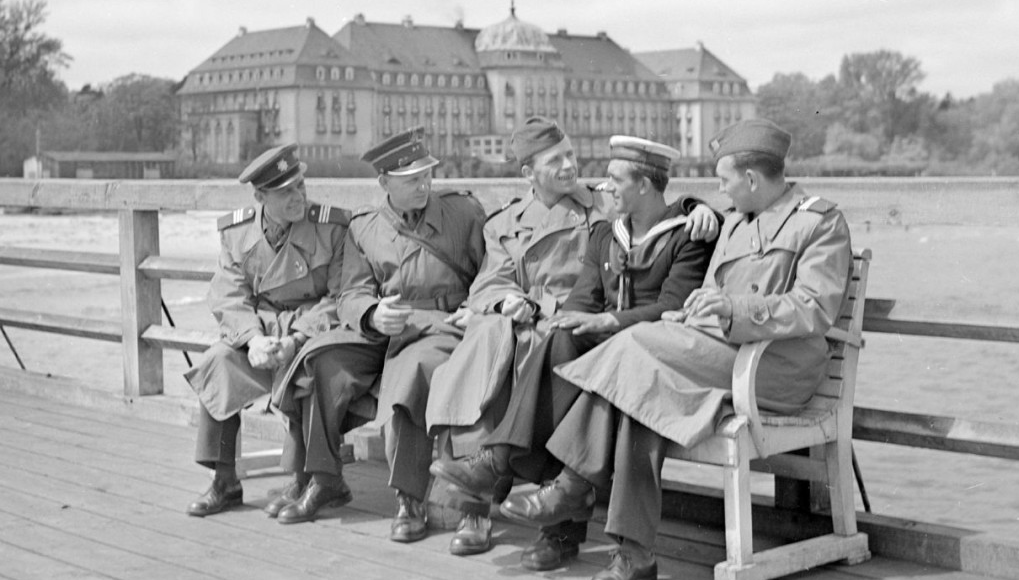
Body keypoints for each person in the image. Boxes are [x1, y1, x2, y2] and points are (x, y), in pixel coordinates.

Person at [503, 118, 853, 580]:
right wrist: (695, 311)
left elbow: (815, 307)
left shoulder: (819, 221)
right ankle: (634, 554)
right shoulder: (735, 219)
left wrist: (734, 308)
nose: (719, 188)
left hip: (775, 371)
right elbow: (707, 283)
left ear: (750, 180)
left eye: (724, 179)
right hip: (720, 354)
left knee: (634, 349)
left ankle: (574, 484)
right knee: (639, 390)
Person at [424, 118, 718, 557]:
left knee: (547, 359)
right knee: (483, 358)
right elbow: (490, 281)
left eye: (570, 155)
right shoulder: (507, 220)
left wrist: (698, 205)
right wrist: (507, 301)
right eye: (555, 160)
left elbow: (658, 201)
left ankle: (539, 510)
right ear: (528, 173)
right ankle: (481, 505)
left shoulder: (601, 204)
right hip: (548, 327)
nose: (569, 166)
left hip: (590, 331)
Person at [272, 126, 486, 535]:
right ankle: (324, 478)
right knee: (322, 359)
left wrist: (475, 307)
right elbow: (350, 293)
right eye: (411, 181)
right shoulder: (365, 227)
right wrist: (371, 313)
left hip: (439, 327)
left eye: (427, 176)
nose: (423, 186)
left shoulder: (463, 213)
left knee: (410, 372)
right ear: (384, 182)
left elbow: (491, 271)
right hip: (385, 328)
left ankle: (409, 499)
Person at [183, 143, 349, 517]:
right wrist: (253, 339)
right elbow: (227, 295)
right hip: (260, 333)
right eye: (286, 191)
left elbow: (340, 297)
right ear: (260, 196)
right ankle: (224, 481)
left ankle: (304, 478)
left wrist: (296, 338)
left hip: (310, 334)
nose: (298, 197)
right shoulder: (236, 232)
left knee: (310, 371)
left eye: (300, 186)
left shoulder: (331, 227)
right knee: (218, 361)